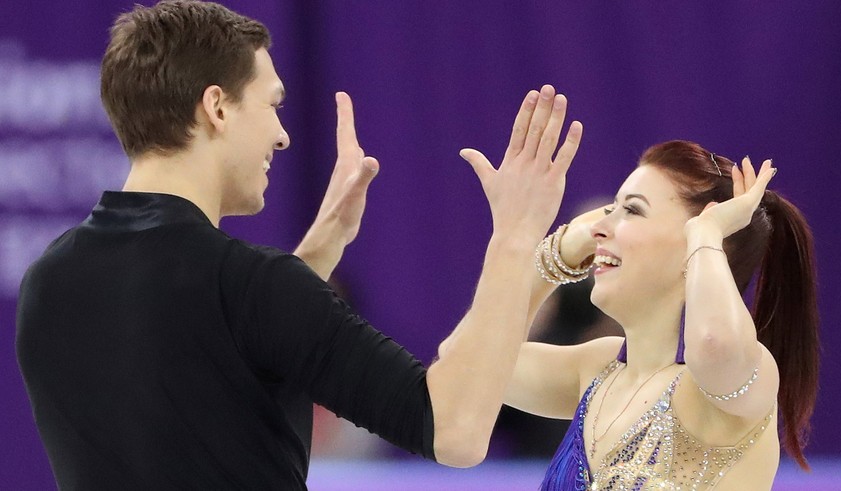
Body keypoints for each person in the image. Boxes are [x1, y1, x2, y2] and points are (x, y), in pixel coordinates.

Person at [15, 1, 583, 489]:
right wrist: (515, 237)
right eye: (270, 104)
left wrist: (321, 248)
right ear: (216, 108)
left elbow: (211, 386)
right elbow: (455, 428)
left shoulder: (49, 280)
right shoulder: (250, 285)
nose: (283, 133)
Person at [457, 141, 819, 489]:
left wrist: (706, 233)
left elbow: (713, 341)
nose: (596, 228)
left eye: (632, 209)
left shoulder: (738, 378)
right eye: (609, 210)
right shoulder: (595, 370)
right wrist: (553, 255)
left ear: (697, 245)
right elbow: (468, 361)